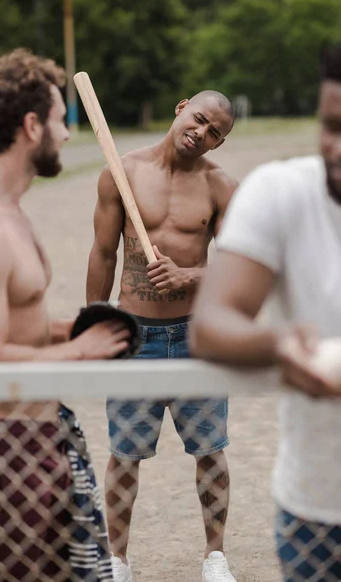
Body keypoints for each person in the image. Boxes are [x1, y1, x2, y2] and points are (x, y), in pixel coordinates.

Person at [190, 36, 341, 582]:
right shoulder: (280, 191)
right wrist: (278, 343)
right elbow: (213, 322)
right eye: (333, 125)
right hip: (314, 511)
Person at [0, 48, 134, 582]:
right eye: (59, 119)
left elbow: (6, 323)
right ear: (29, 126)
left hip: (42, 437)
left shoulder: (9, 211)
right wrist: (77, 352)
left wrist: (66, 331)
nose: (67, 134)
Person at [87, 90, 238, 581]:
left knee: (211, 453)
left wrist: (190, 275)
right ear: (180, 108)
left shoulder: (220, 188)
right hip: (134, 336)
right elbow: (103, 252)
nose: (202, 133)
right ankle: (118, 561)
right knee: (124, 456)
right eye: (199, 119)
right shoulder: (122, 171)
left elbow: (241, 269)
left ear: (218, 143)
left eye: (215, 132)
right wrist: (95, 321)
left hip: (198, 337)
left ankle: (214, 558)